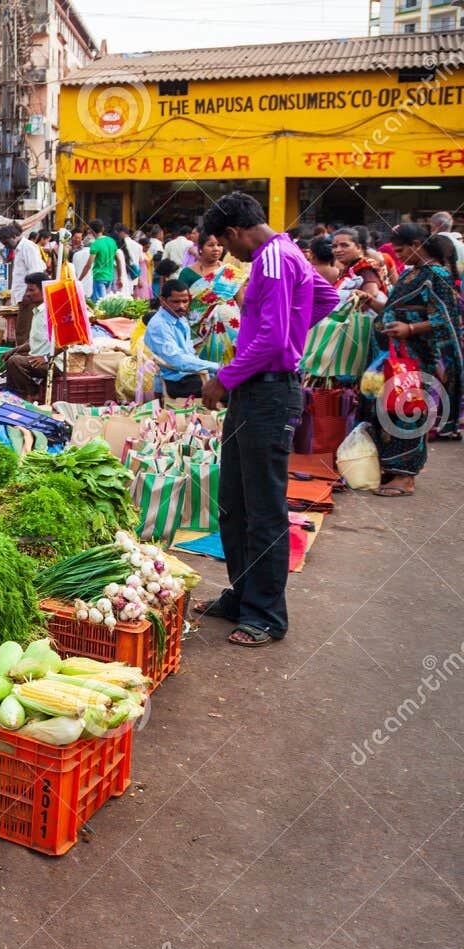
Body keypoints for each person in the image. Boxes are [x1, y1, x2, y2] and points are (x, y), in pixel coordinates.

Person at [197, 191, 339, 647]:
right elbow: (327, 298)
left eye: (225, 243)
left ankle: (266, 616)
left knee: (263, 509)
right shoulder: (287, 253)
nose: (228, 254)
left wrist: (225, 378)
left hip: (267, 393)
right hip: (257, 390)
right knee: (235, 500)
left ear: (235, 233)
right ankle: (243, 595)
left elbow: (274, 340)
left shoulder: (272, 259)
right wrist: (294, 328)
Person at [373, 225, 464, 480]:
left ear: (416, 244)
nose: (398, 255)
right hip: (394, 356)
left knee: (409, 410)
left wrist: (410, 328)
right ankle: (391, 466)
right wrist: (372, 302)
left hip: (418, 357)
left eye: (401, 250)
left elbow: (447, 320)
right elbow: (393, 308)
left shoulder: (437, 275)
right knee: (389, 408)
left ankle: (406, 474)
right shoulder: (410, 274)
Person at [178, 232, 247, 366]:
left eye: (220, 245)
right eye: (211, 245)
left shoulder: (230, 272)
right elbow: (181, 303)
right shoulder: (187, 273)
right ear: (200, 248)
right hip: (198, 330)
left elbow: (242, 303)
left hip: (231, 328)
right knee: (204, 368)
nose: (216, 249)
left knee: (229, 366)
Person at [142, 280, 220, 399]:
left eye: (185, 301)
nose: (182, 306)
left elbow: (189, 354)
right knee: (231, 390)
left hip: (189, 376)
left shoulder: (181, 319)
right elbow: (178, 361)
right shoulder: (159, 326)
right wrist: (216, 367)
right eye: (176, 302)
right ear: (162, 301)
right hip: (177, 382)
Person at [0, 273, 57, 402]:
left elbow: (64, 342)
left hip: (53, 362)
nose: (28, 294)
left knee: (15, 362)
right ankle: (20, 395)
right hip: (37, 359)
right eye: (27, 290)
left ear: (43, 291)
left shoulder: (51, 312)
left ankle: (31, 395)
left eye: (31, 290)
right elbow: (33, 341)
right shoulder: (37, 312)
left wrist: (47, 358)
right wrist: (14, 350)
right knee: (12, 358)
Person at [330, 227, 388, 312]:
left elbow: (370, 295)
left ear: (358, 247)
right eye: (334, 246)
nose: (337, 250)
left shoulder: (366, 268)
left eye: (344, 245)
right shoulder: (349, 268)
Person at [0, 224, 46, 297]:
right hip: (19, 296)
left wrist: (28, 294)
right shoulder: (18, 249)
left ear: (14, 236)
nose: (6, 246)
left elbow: (35, 273)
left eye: (6, 243)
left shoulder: (28, 247)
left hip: (26, 297)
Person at [85, 219, 118, 302]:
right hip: (110, 277)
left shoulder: (96, 244)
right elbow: (119, 260)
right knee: (96, 300)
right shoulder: (112, 241)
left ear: (91, 231)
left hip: (99, 277)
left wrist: (80, 278)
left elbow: (89, 264)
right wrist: (120, 276)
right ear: (103, 229)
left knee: (101, 304)